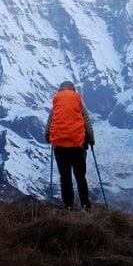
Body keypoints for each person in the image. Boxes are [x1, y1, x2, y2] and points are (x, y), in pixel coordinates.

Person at [45, 81, 95, 211]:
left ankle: (68, 206)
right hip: (77, 146)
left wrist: (48, 138)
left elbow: (49, 125)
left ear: (60, 91)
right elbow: (87, 124)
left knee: (65, 178)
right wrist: (91, 139)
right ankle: (85, 205)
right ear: (74, 91)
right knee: (80, 177)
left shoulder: (56, 106)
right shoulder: (79, 104)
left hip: (60, 147)